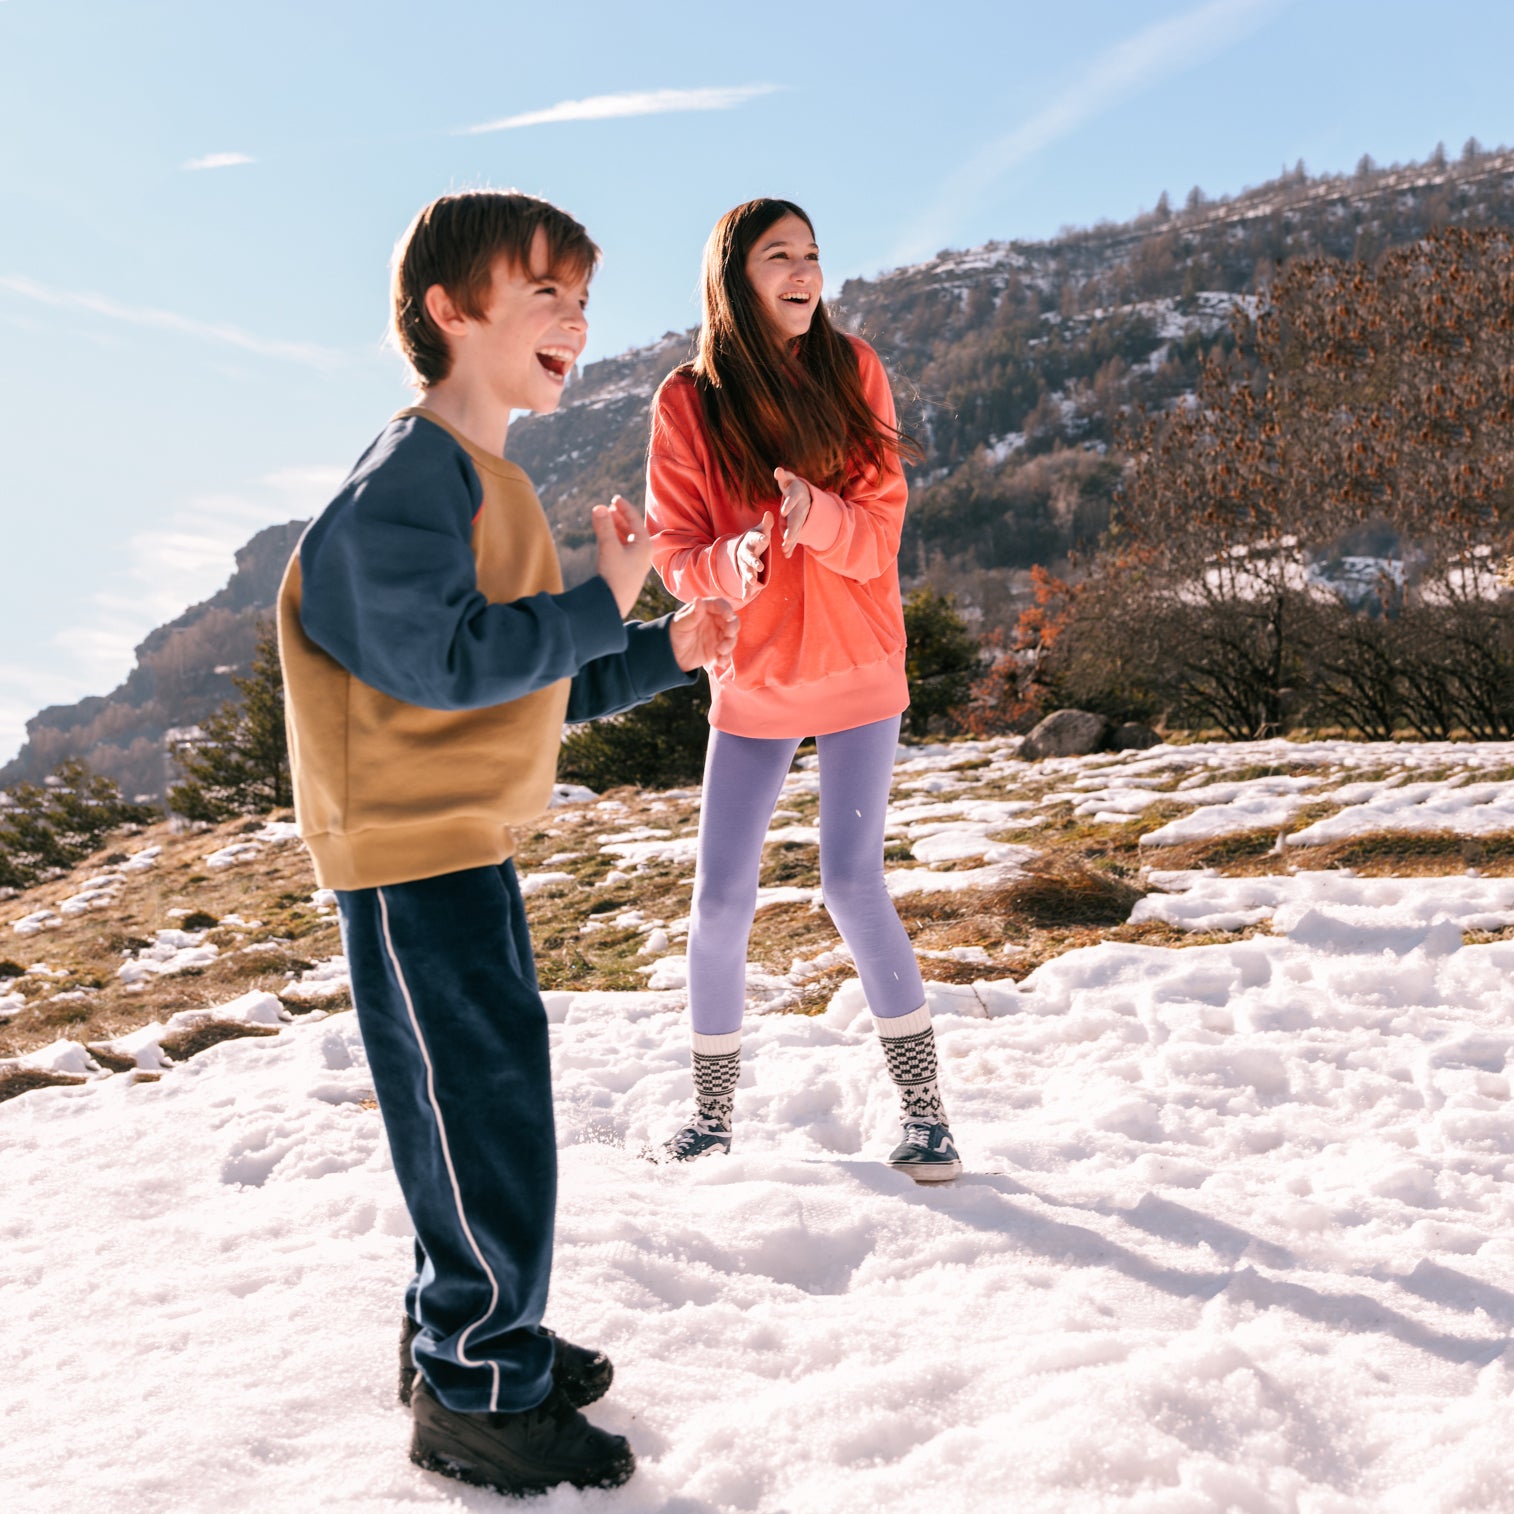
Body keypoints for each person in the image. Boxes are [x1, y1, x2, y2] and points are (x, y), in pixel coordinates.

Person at [276, 189, 737, 1497]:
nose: (576, 323)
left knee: (483, 1110)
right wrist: (598, 605)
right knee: (482, 1120)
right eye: (547, 294)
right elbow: (440, 666)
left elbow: (521, 682)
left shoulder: (478, 481)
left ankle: (471, 1338)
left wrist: (654, 648)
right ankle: (482, 1386)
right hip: (409, 862)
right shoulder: (404, 483)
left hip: (456, 843)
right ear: (449, 309)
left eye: (584, 300)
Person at [644, 198, 961, 1182]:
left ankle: (926, 1113)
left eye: (812, 254)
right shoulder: (686, 402)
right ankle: (709, 1117)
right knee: (722, 900)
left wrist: (814, 511)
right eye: (778, 254)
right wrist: (728, 562)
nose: (802, 271)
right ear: (733, 276)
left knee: (850, 880)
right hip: (756, 681)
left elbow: (879, 527)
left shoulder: (851, 368)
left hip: (860, 669)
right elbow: (672, 552)